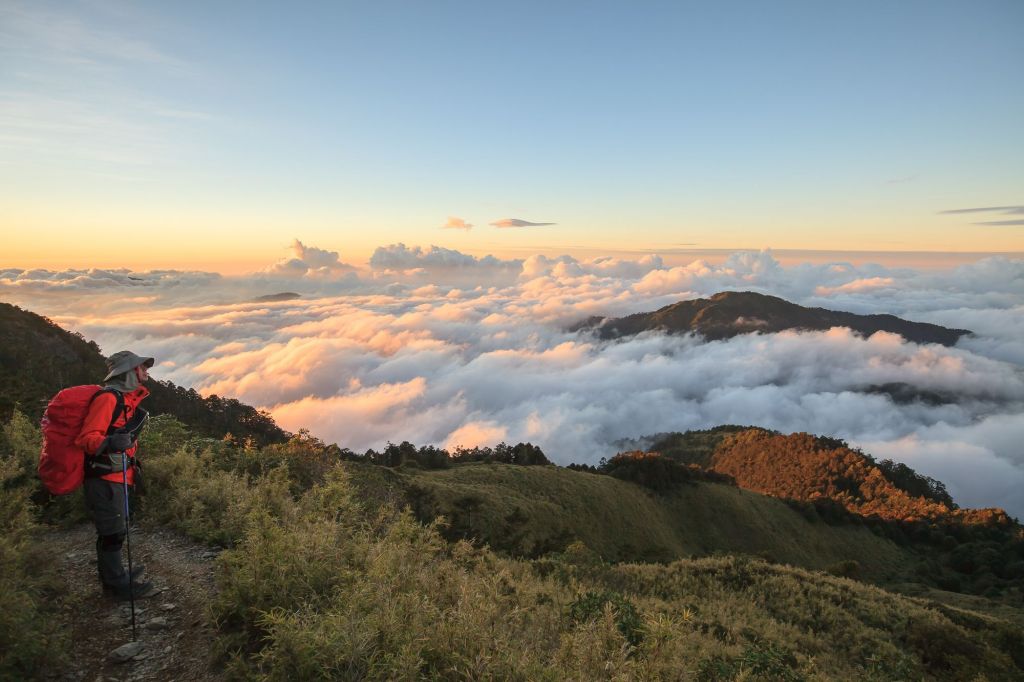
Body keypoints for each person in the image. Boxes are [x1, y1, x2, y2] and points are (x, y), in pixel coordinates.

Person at [75, 351, 156, 600]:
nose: (146, 372)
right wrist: (111, 442)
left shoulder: (125, 399)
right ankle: (116, 587)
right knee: (112, 532)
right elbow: (87, 439)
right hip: (105, 479)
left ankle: (117, 575)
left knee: (116, 529)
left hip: (117, 475)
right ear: (129, 372)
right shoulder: (108, 399)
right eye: (142, 368)